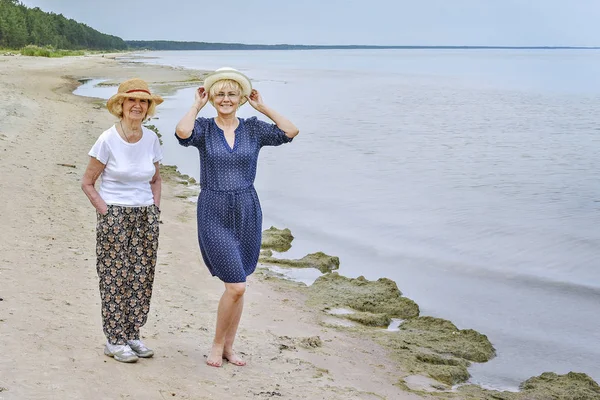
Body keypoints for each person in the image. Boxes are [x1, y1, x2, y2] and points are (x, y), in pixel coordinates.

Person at [175, 67, 299, 367]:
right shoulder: (204, 128)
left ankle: (230, 347)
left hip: (246, 209)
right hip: (213, 208)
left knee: (238, 283)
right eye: (220, 94)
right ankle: (217, 345)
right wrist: (196, 105)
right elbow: (182, 132)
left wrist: (262, 106)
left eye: (232, 94)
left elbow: (290, 131)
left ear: (241, 98)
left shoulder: (253, 128)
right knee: (236, 286)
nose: (226, 99)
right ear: (212, 98)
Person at [81, 78, 164, 363]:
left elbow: (155, 179)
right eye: (132, 101)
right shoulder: (107, 139)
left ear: (148, 107)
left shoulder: (152, 138)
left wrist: (155, 209)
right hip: (115, 214)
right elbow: (88, 183)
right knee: (115, 277)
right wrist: (106, 211)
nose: (137, 106)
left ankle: (132, 334)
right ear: (121, 105)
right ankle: (114, 340)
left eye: (143, 102)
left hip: (145, 216)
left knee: (141, 276)